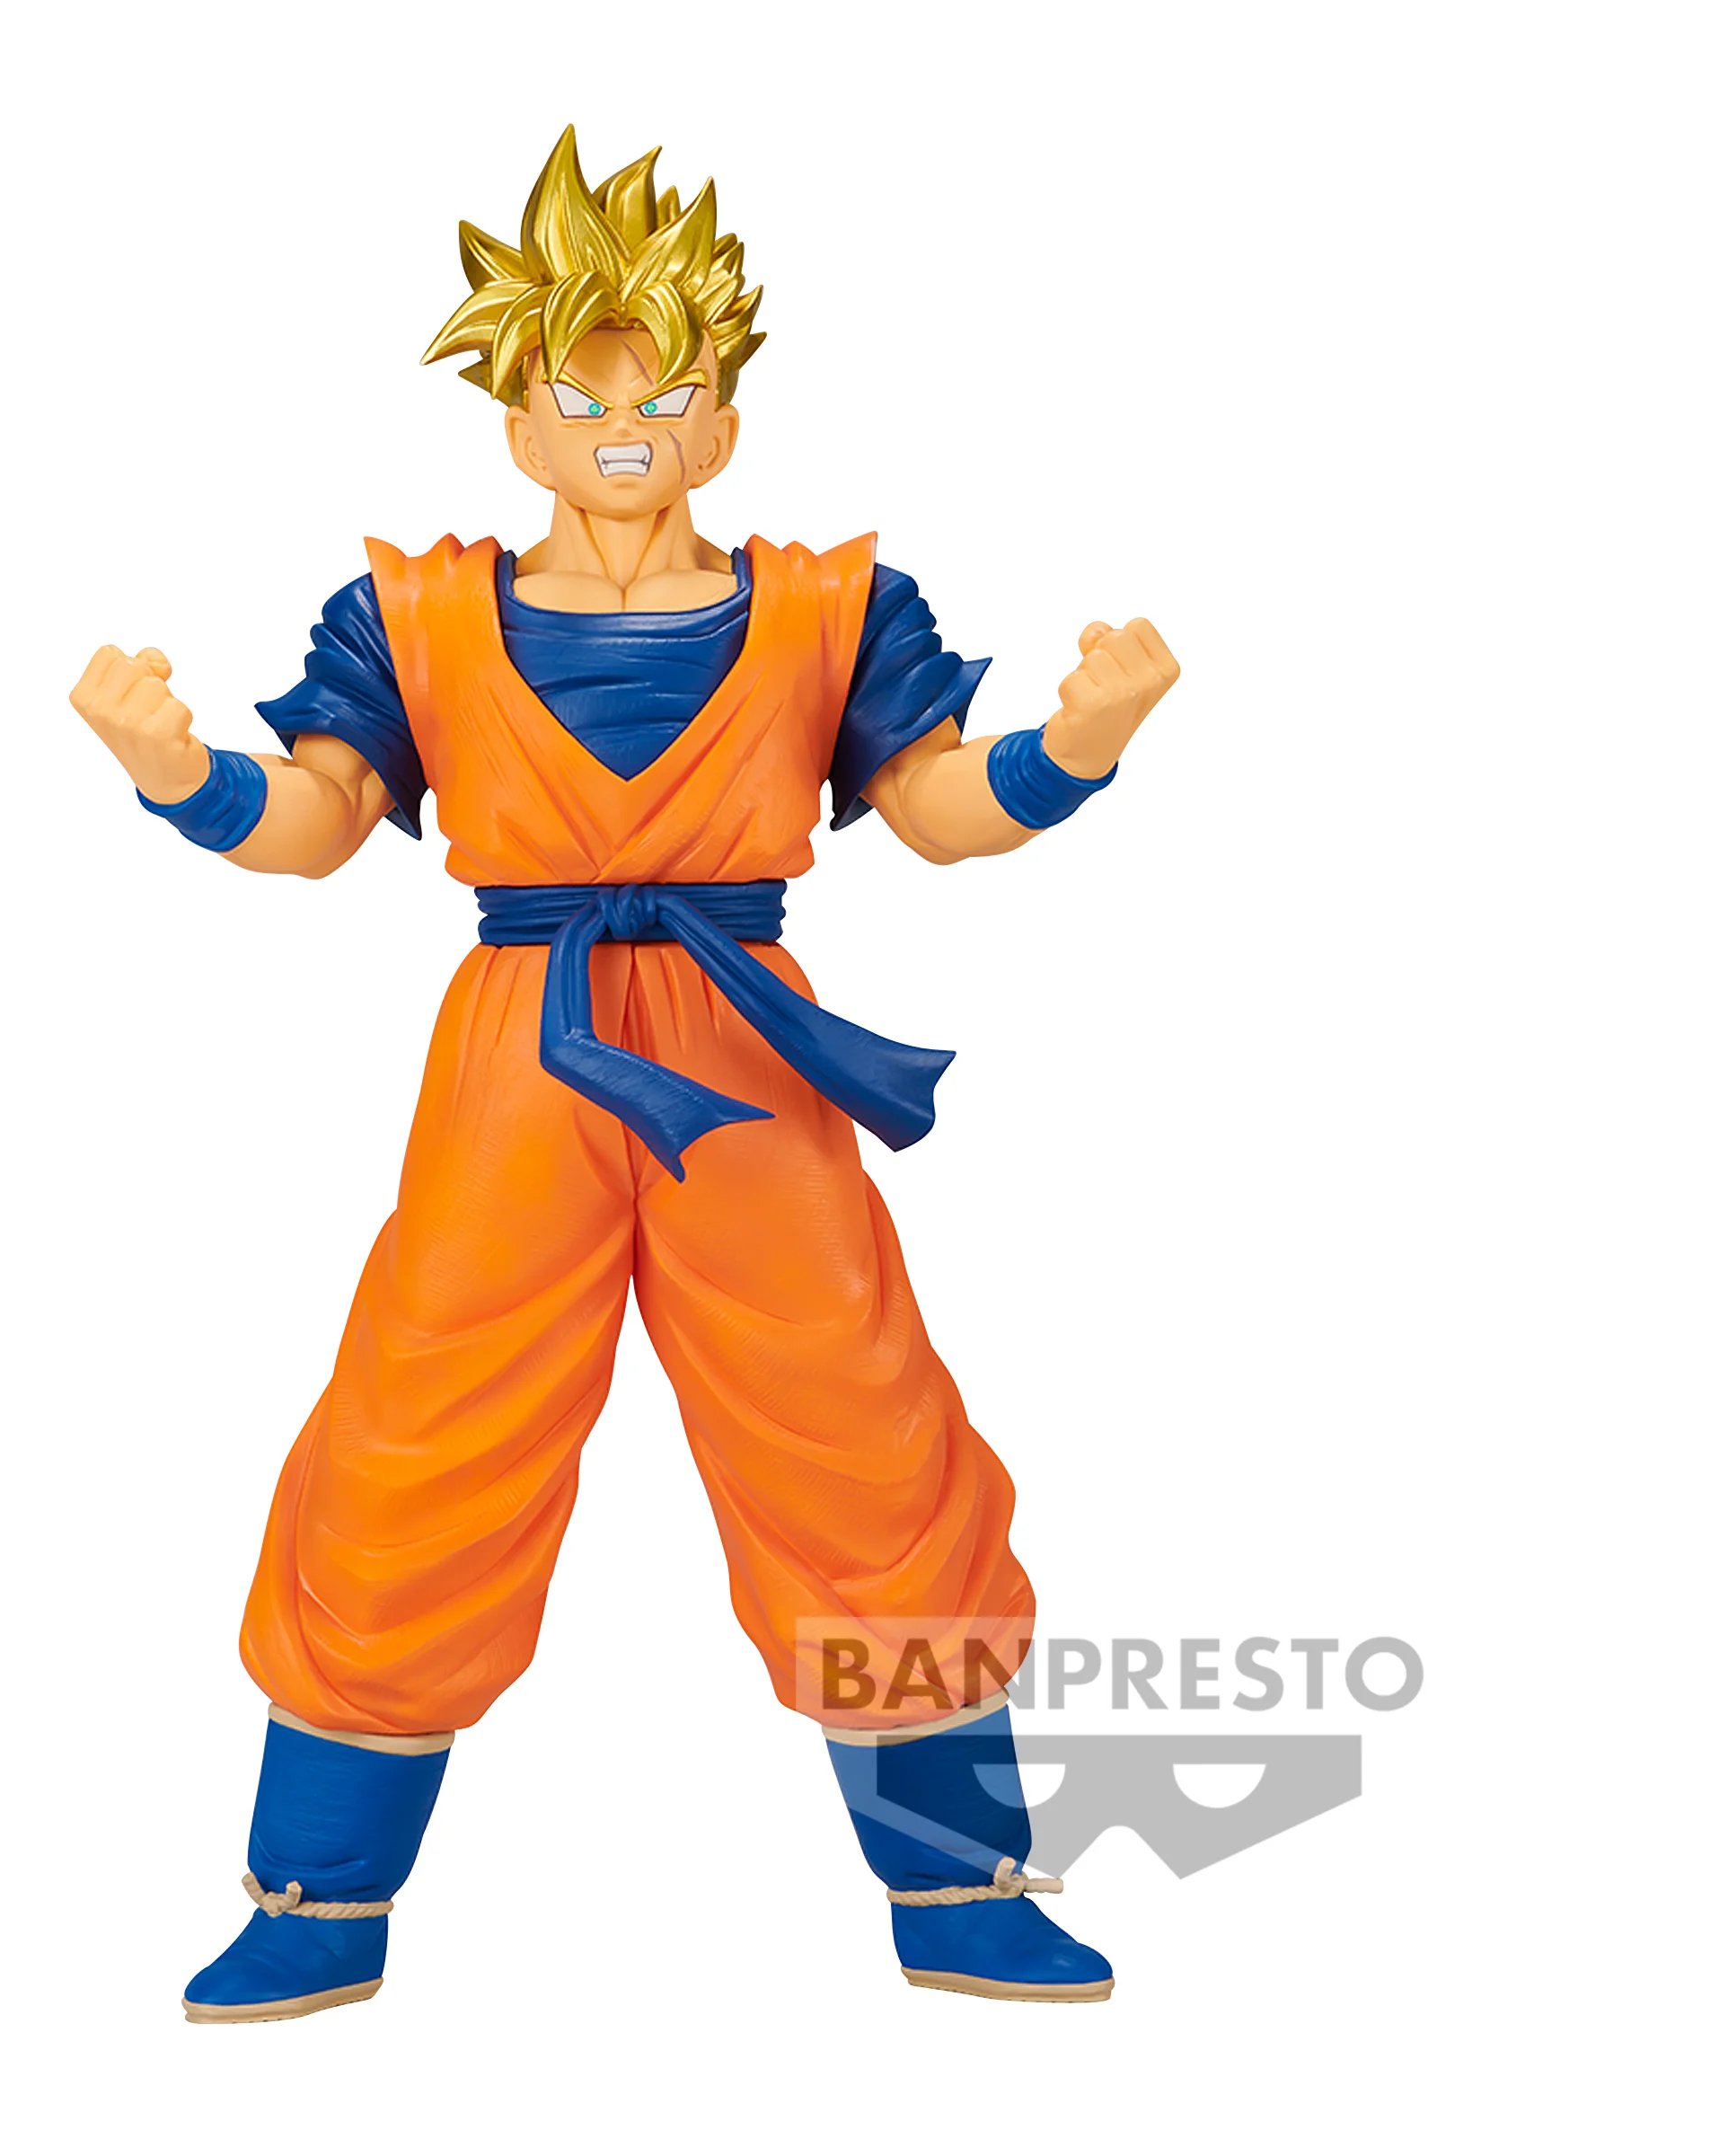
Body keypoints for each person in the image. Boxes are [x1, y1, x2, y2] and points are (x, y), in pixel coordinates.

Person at [70, 127, 1179, 2022]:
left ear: (726, 419)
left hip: (747, 1051)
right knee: (424, 1433)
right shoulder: (410, 617)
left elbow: (938, 807)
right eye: (580, 397)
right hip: (521, 1058)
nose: (623, 430)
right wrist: (177, 774)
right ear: (512, 416)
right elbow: (317, 822)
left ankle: (962, 1883)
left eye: (667, 395)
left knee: (854, 1429)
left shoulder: (834, 609)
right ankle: (316, 1899)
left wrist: (1075, 744)